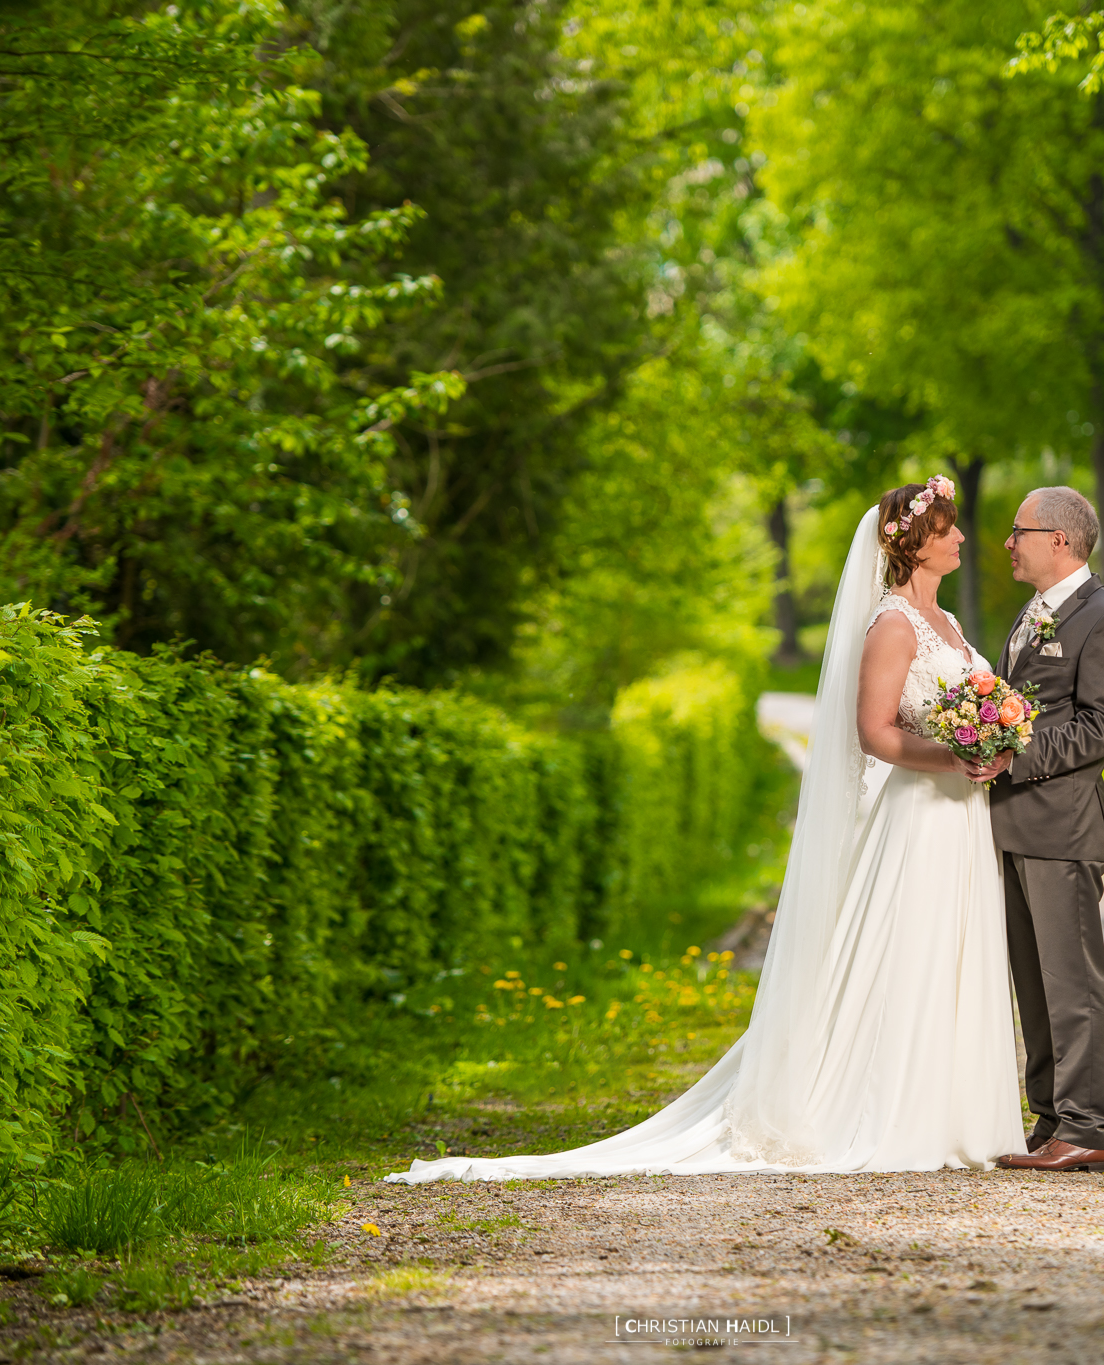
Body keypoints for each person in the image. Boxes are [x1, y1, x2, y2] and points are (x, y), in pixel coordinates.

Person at [383, 481, 1024, 1182]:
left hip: (960, 816)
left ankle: (957, 1114)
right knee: (909, 955)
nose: (962, 538)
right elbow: (873, 733)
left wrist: (985, 745)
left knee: (956, 952)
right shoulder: (892, 625)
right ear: (914, 541)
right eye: (949, 528)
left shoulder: (951, 624)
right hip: (916, 816)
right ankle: (897, 1113)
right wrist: (952, 753)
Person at [980, 487, 1104, 1174]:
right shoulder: (1036, 611)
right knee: (1034, 983)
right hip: (1014, 826)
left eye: (1019, 530)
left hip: (1062, 828)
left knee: (1071, 982)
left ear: (1060, 540)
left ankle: (1088, 1126)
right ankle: (1050, 1118)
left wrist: (1014, 755)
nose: (1008, 542)